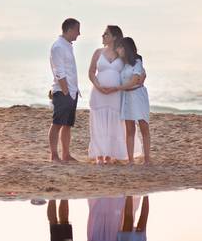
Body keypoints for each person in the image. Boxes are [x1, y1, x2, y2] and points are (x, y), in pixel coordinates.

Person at [87, 26, 128, 164]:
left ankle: (109, 155)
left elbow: (129, 71)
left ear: (114, 37)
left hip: (115, 94)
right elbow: (91, 72)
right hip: (98, 93)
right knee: (98, 123)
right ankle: (99, 155)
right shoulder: (98, 52)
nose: (103, 36)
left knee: (114, 123)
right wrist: (98, 86)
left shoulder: (121, 53)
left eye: (106, 34)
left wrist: (117, 88)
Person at [113, 37, 151, 165]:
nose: (118, 50)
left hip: (138, 96)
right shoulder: (122, 64)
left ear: (126, 48)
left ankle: (147, 159)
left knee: (143, 126)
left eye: (120, 47)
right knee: (129, 129)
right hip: (127, 97)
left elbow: (135, 80)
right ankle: (130, 160)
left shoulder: (137, 62)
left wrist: (117, 88)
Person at [48, 18, 80, 163]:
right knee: (57, 123)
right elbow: (59, 71)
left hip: (72, 91)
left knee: (67, 125)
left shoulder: (67, 45)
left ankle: (66, 155)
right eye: (77, 30)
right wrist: (66, 91)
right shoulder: (58, 47)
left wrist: (73, 92)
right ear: (70, 30)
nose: (79, 33)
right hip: (62, 92)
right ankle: (54, 155)